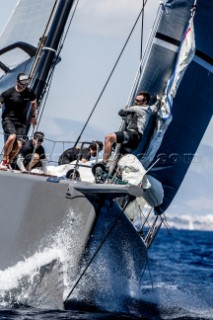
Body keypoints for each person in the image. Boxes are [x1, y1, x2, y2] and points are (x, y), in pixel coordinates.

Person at [0, 73, 38, 169]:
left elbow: (34, 103)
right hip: (8, 119)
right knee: (12, 137)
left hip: (21, 122)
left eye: (26, 84)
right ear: (17, 82)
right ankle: (4, 160)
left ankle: (9, 162)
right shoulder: (8, 93)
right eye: (22, 83)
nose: (24, 86)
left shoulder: (29, 92)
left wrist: (33, 116)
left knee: (19, 144)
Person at [103, 92, 152, 162]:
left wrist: (127, 110)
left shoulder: (136, 108)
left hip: (132, 135)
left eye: (138, 101)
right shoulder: (149, 110)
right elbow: (155, 107)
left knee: (109, 137)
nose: (136, 102)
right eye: (135, 100)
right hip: (136, 140)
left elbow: (121, 112)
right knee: (119, 159)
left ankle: (104, 162)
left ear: (145, 101)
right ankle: (115, 171)